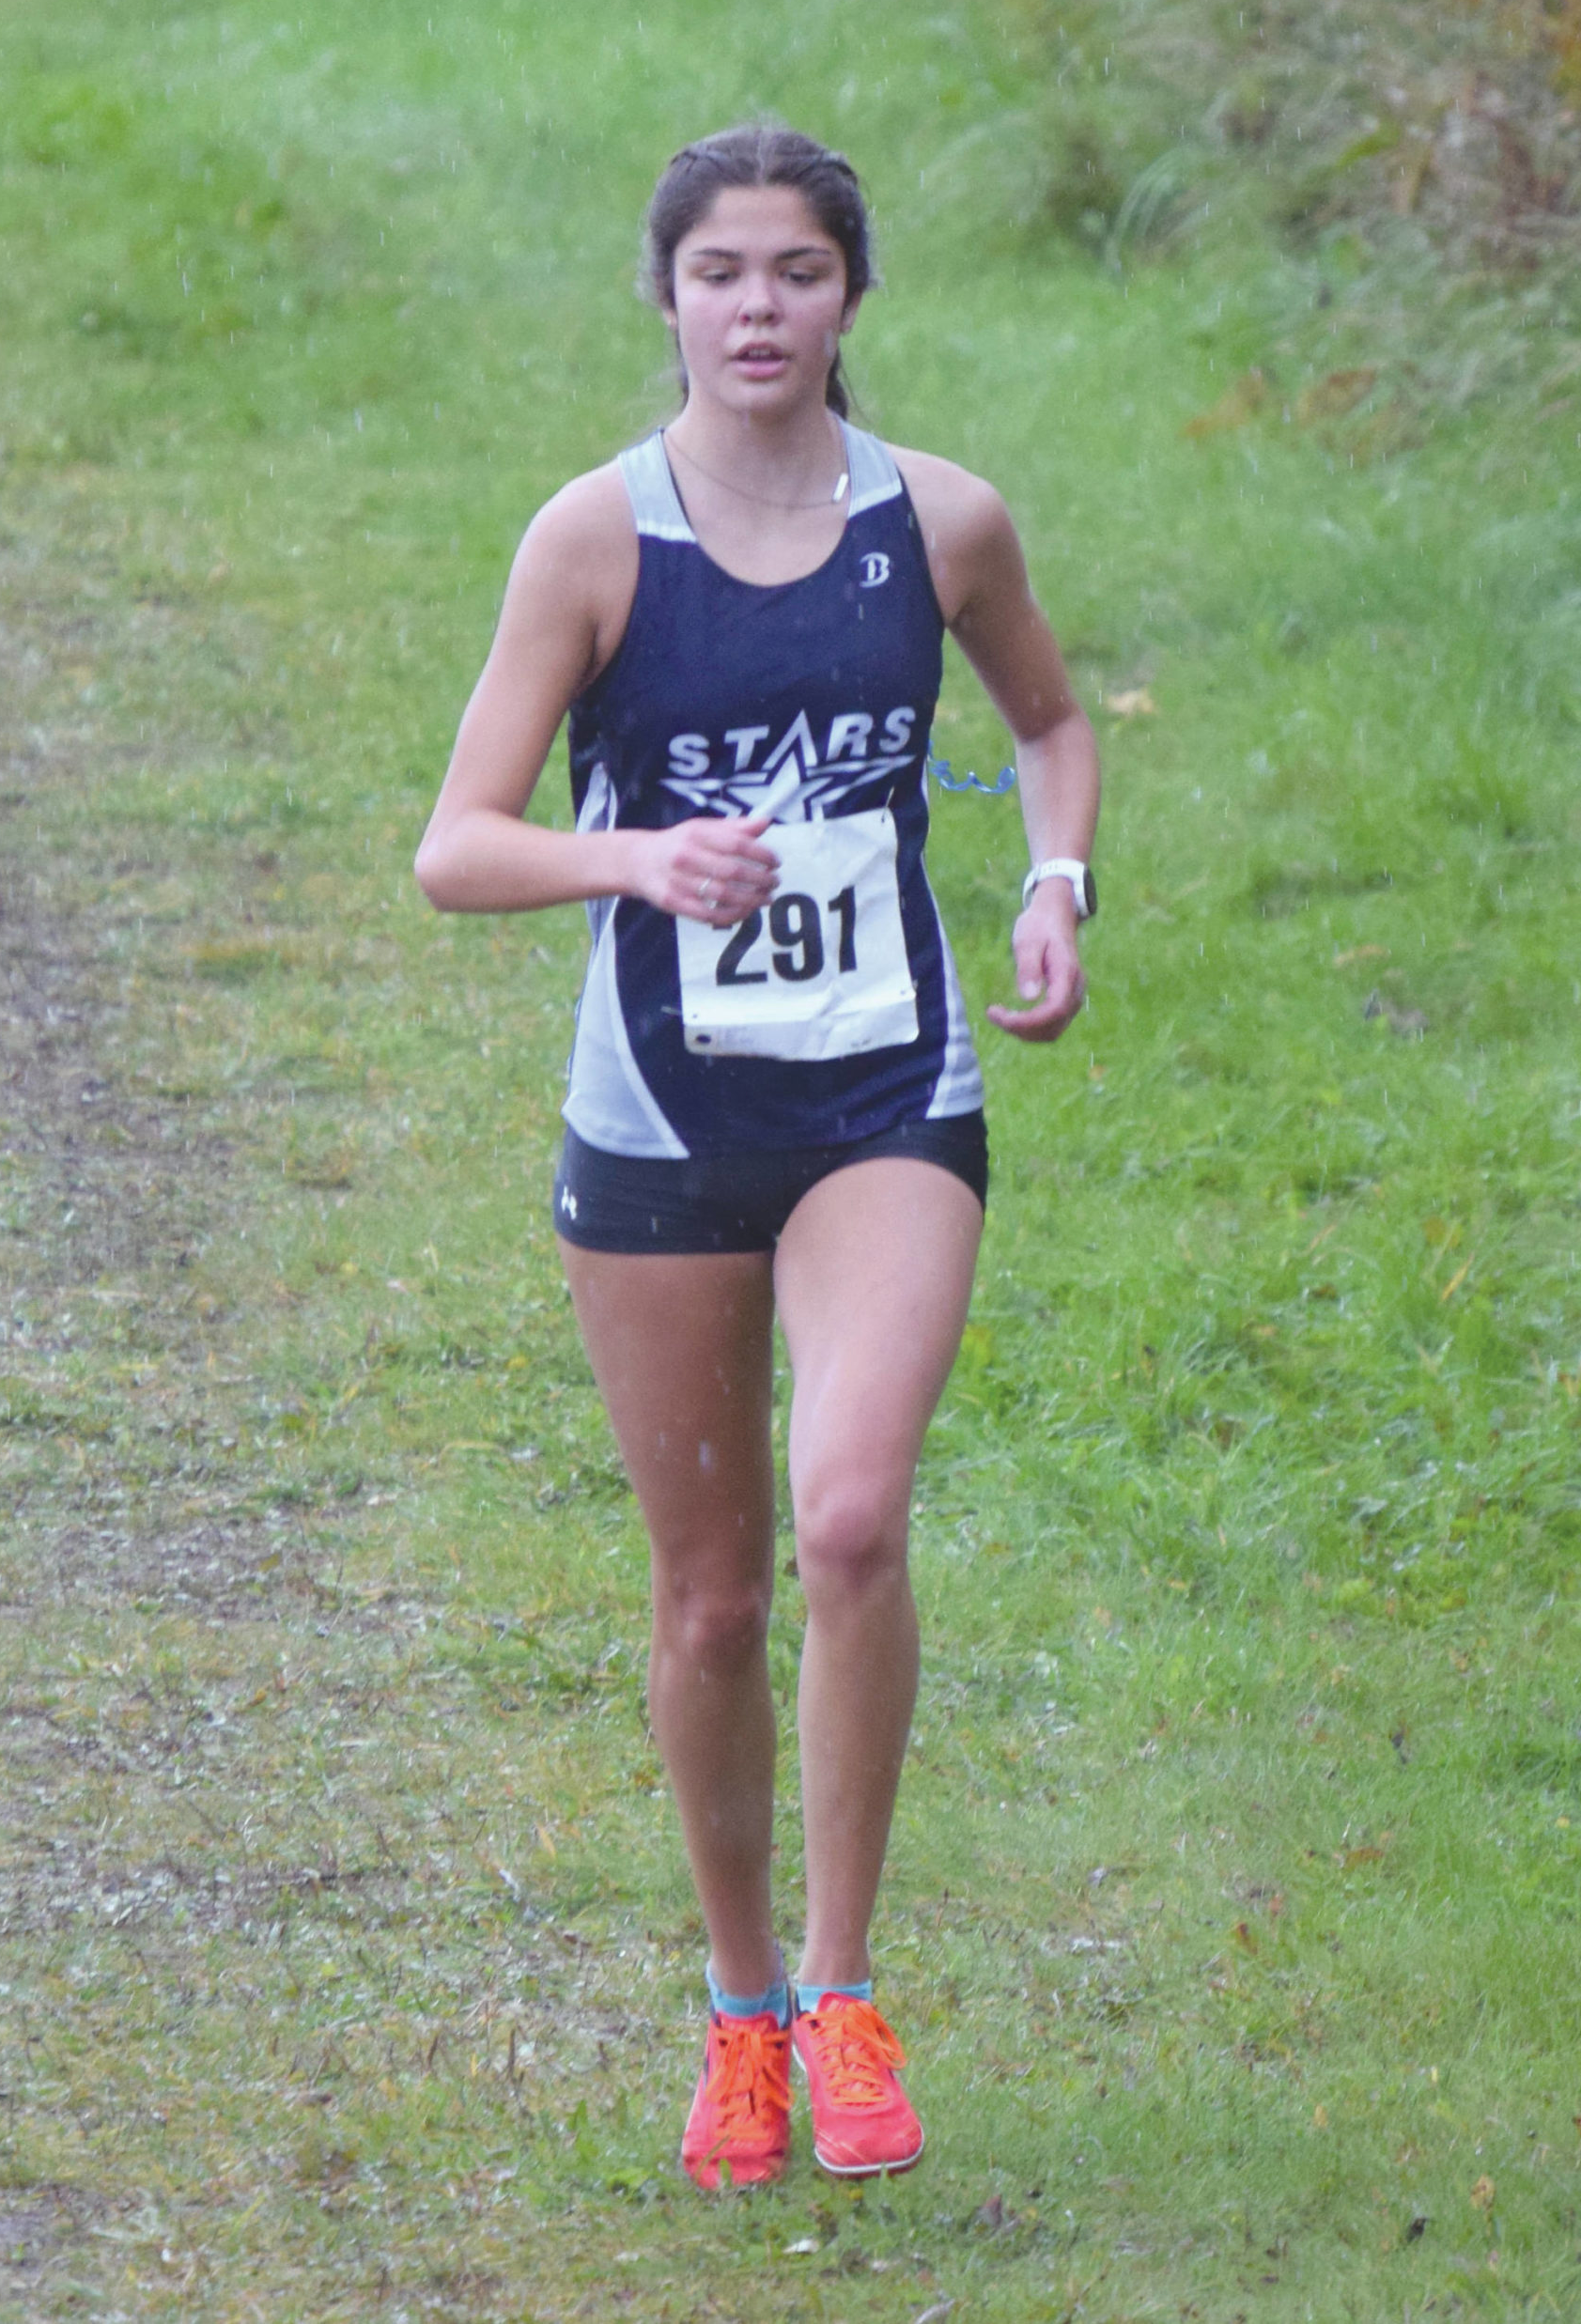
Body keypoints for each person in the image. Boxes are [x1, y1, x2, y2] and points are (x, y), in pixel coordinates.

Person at [415, 122, 1099, 2190]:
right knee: (713, 1601)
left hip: (885, 1091)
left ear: (849, 297)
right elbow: (457, 845)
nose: (758, 309)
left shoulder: (941, 521)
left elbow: (1052, 723)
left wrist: (1054, 879)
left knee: (853, 1517)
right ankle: (736, 2012)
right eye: (719, 272)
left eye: (799, 270)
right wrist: (637, 858)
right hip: (659, 1114)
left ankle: (845, 1988)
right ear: (667, 297)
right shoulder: (593, 539)